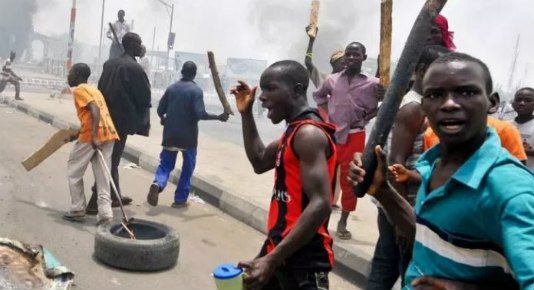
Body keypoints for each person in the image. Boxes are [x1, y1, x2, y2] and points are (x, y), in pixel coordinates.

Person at [349, 52, 534, 289]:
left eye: (466, 92)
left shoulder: (511, 190)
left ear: (492, 102)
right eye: (435, 95)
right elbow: (432, 240)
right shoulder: (433, 165)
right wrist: (383, 192)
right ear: (423, 105)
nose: (449, 104)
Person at [232, 60, 336, 290]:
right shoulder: (294, 132)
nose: (262, 96)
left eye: (270, 88)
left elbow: (321, 203)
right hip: (280, 250)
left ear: (297, 90)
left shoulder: (308, 134)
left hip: (304, 261)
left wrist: (271, 259)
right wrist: (246, 114)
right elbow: (259, 160)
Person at [366, 45, 449, 290]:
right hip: (404, 203)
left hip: (396, 201)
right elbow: (396, 164)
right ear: (422, 70)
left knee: (384, 266)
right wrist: (403, 217)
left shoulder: (413, 103)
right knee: (407, 270)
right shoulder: (413, 107)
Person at [313, 42, 382, 240]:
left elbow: (385, 103)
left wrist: (369, 115)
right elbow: (318, 97)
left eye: (356, 54)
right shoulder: (332, 80)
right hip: (333, 135)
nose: (351, 58)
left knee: (350, 181)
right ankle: (320, 218)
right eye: (348, 54)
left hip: (355, 136)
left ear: (364, 57)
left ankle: (343, 220)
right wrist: (328, 115)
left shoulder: (373, 83)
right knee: (325, 178)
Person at [146, 61, 228, 208]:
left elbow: (160, 110)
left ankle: (158, 183)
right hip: (188, 138)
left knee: (165, 165)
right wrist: (219, 117)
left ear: (181, 72)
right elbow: (201, 114)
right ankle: (180, 199)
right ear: (194, 74)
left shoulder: (171, 88)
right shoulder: (196, 91)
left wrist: (163, 119)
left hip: (170, 134)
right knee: (187, 168)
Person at [86, 32, 151, 214]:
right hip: (120, 122)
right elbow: (144, 97)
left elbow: (100, 89)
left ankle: (115, 196)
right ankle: (94, 202)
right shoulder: (134, 68)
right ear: (131, 45)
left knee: (110, 158)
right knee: (112, 160)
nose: (141, 47)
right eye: (139, 43)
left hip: (104, 118)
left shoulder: (109, 64)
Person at [63, 63, 118, 226]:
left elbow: (94, 110)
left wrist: (93, 136)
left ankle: (78, 209)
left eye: (71, 73)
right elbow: (91, 115)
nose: (68, 76)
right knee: (103, 176)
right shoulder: (95, 90)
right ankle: (106, 215)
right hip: (109, 133)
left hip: (93, 136)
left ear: (78, 75)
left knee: (73, 171)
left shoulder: (80, 90)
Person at [511, 87, 534, 170]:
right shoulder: (505, 125)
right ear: (513, 103)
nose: (522, 103)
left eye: (528, 100)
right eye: (518, 99)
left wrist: (516, 149)